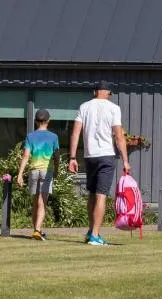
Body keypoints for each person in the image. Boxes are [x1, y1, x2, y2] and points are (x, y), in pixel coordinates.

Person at [69, 80, 130, 246]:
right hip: (106, 155)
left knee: (91, 193)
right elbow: (118, 136)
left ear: (94, 92)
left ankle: (91, 231)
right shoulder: (113, 108)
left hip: (89, 156)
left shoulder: (84, 106)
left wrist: (72, 158)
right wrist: (125, 160)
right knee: (101, 195)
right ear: (108, 93)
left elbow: (75, 133)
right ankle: (95, 235)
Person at [16, 109, 60, 241]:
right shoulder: (53, 137)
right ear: (48, 121)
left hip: (33, 171)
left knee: (35, 202)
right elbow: (57, 156)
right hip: (47, 171)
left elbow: (25, 156)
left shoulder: (30, 136)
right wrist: (57, 169)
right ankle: (37, 230)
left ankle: (37, 230)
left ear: (35, 121)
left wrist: (19, 174)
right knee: (42, 202)